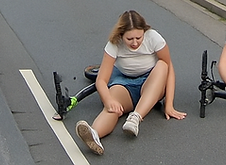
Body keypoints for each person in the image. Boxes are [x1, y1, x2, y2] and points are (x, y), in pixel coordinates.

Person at [75, 10, 186, 155]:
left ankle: (135, 118)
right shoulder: (114, 44)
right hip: (125, 83)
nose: (135, 43)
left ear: (144, 32)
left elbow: (169, 68)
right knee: (113, 107)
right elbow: (101, 80)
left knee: (162, 65)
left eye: (138, 38)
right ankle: (95, 134)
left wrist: (169, 105)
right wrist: (108, 100)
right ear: (121, 35)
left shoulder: (154, 38)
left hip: (151, 83)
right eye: (130, 39)